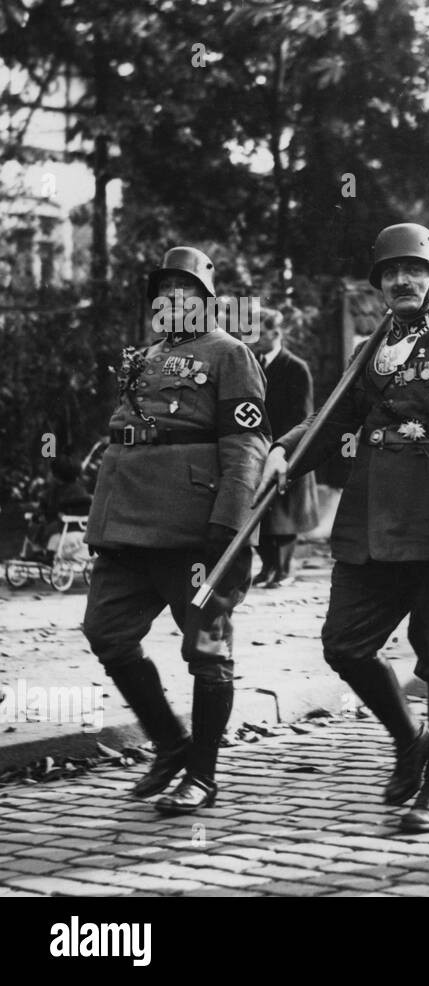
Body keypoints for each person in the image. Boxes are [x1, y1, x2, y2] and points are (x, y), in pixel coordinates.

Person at [259, 222, 429, 830]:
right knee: (345, 645)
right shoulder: (369, 353)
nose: (402, 280)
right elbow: (329, 419)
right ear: (380, 285)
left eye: (414, 270)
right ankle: (410, 739)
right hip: (375, 527)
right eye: (390, 273)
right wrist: (284, 450)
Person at [83, 245, 269, 814]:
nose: (173, 298)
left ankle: (203, 774)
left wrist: (230, 524)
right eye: (164, 291)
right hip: (128, 527)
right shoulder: (144, 356)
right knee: (106, 632)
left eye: (185, 289)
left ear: (208, 300)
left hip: (195, 528)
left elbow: (246, 443)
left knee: (207, 650)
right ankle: (170, 744)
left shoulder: (230, 353)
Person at [248, 309, 319, 588]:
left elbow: (303, 414)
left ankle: (284, 569)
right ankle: (267, 568)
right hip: (257, 449)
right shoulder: (252, 364)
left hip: (286, 449)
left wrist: (284, 446)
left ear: (275, 334)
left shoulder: (295, 367)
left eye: (259, 332)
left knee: (284, 516)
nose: (253, 338)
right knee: (260, 515)